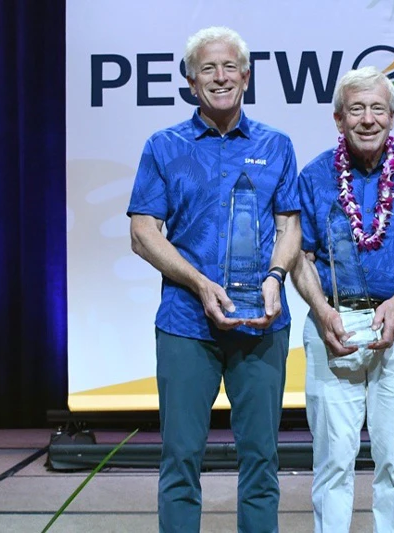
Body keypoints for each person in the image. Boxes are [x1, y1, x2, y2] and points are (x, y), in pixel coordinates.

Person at [127, 26, 300, 533]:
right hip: (186, 324)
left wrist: (275, 275)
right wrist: (200, 283)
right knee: (180, 457)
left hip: (263, 323)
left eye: (229, 68)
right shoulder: (164, 145)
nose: (220, 77)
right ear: (190, 80)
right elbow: (142, 232)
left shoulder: (276, 145)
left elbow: (290, 226)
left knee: (262, 458)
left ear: (246, 77)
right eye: (208, 69)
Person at [291, 66, 394, 533]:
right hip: (331, 326)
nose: (368, 119)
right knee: (332, 461)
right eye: (357, 109)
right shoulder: (314, 175)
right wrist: (321, 310)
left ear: (392, 116)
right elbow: (298, 253)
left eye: (377, 109)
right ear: (338, 118)